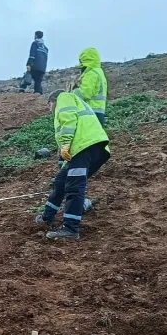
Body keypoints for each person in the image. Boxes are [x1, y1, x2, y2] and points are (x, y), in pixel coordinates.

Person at [35, 89, 110, 239]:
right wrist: (64, 161)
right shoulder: (73, 100)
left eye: (49, 106)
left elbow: (68, 120)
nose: (50, 110)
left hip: (84, 147)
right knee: (61, 182)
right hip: (87, 149)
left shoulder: (64, 98)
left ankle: (70, 228)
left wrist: (65, 144)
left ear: (53, 101)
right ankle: (46, 217)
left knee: (74, 187)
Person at [73, 48, 107, 125]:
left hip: (90, 112)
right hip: (98, 112)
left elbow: (84, 93)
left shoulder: (91, 73)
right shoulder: (99, 72)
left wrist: (72, 92)